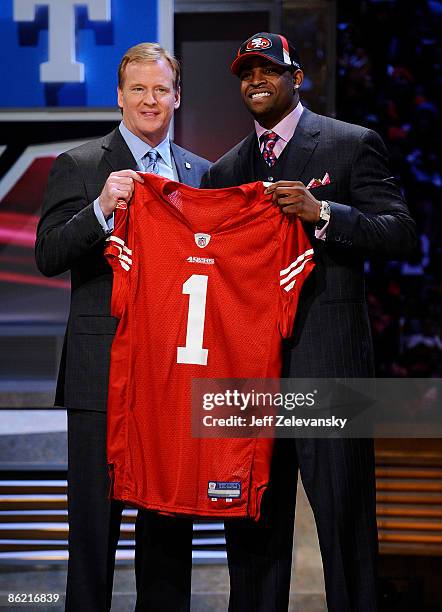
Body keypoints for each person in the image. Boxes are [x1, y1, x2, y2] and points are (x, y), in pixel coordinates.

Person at [201, 32, 417, 612]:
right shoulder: (225, 172)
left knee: (346, 528)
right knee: (252, 534)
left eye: (268, 70)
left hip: (330, 369)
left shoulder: (350, 145)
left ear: (297, 76)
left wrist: (324, 213)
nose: (256, 81)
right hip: (250, 382)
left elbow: (400, 233)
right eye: (246, 73)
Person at [35, 43, 210, 612]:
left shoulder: (203, 175)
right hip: (99, 378)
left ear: (177, 97)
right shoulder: (82, 166)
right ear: (119, 96)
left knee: (167, 533)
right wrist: (101, 209)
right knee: (93, 533)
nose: (150, 101)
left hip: (170, 382)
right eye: (138, 89)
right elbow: (47, 254)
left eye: (161, 89)